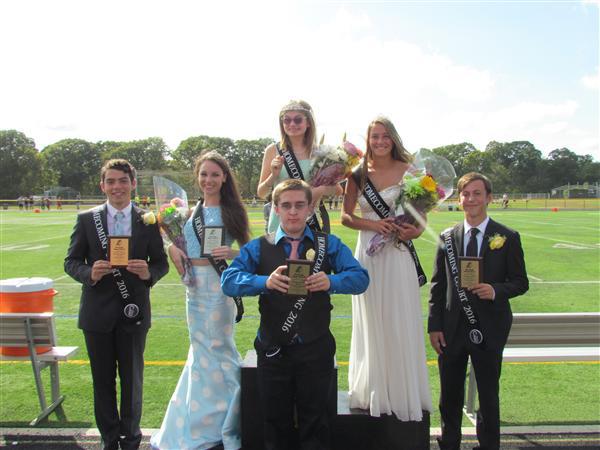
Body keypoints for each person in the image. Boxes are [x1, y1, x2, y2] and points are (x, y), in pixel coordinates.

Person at [222, 179, 369, 450]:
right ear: (275, 209)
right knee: (275, 424)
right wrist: (263, 282)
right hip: (273, 349)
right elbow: (228, 281)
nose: (293, 212)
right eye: (286, 205)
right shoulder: (258, 246)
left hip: (315, 348)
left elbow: (360, 278)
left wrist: (331, 281)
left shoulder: (329, 244)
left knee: (316, 422)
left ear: (310, 208)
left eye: (299, 205)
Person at [64, 159, 169, 450]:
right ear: (102, 186)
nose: (117, 187)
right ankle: (109, 440)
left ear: (133, 183)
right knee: (103, 382)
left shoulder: (148, 220)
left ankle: (132, 439)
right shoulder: (88, 219)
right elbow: (71, 261)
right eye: (110, 181)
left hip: (134, 312)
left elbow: (160, 263)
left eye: (122, 180)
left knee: (133, 382)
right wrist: (89, 273)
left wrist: (149, 273)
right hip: (97, 315)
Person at [151, 151, 251, 450]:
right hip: (193, 288)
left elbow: (252, 250)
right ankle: (198, 419)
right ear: (198, 177)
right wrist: (171, 248)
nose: (209, 180)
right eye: (204, 174)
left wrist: (230, 254)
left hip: (219, 287)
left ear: (224, 178)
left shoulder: (232, 210)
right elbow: (174, 240)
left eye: (215, 175)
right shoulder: (186, 210)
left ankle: (233, 414)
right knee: (200, 349)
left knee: (219, 347)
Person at [341, 116, 432, 422]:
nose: (379, 141)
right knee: (371, 319)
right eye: (374, 137)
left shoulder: (410, 171)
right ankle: (373, 390)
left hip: (397, 252)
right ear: (368, 140)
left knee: (398, 317)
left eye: (384, 136)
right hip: (367, 252)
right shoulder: (357, 173)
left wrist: (414, 232)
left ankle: (400, 391)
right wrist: (374, 223)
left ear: (393, 138)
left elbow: (421, 216)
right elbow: (346, 217)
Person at [428, 172, 528, 450]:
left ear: (489, 198)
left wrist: (495, 290)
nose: (470, 199)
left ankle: (488, 445)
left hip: (489, 326)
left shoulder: (507, 237)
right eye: (465, 194)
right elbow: (437, 285)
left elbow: (521, 282)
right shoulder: (447, 237)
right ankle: (449, 442)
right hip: (451, 328)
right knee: (449, 393)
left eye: (477, 193)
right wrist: (434, 326)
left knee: (487, 392)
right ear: (459, 198)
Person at [256, 99, 341, 233]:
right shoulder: (272, 150)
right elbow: (261, 193)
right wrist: (273, 176)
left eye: (297, 120)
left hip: (311, 221)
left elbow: (338, 189)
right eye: (287, 120)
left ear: (308, 123)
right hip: (280, 222)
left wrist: (319, 190)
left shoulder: (320, 152)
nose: (292, 124)